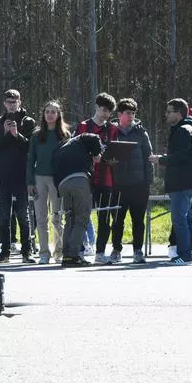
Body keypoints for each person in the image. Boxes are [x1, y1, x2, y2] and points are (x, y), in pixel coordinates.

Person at [148, 98, 192, 265]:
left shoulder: (182, 131)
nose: (166, 114)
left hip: (182, 181)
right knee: (187, 217)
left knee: (179, 218)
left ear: (178, 113)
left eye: (169, 111)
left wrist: (160, 159)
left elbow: (181, 157)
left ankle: (185, 255)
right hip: (186, 181)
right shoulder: (187, 129)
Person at [0, 89, 36, 264]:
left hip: (22, 174)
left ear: (20, 102)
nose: (12, 104)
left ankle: (26, 252)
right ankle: (5, 252)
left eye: (14, 101)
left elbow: (30, 147)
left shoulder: (28, 121)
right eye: (8, 101)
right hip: (3, 174)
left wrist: (17, 135)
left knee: (23, 214)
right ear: (4, 104)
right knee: (4, 215)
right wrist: (4, 133)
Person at [74, 92, 119, 264]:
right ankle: (79, 250)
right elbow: (75, 148)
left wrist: (114, 160)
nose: (105, 114)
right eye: (103, 109)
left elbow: (116, 150)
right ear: (96, 107)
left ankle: (100, 252)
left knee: (104, 217)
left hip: (106, 178)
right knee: (81, 213)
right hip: (85, 177)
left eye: (109, 111)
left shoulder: (113, 129)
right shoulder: (83, 126)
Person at [109, 98, 154, 264]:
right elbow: (106, 156)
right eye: (128, 113)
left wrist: (148, 181)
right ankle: (116, 250)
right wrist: (110, 163)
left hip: (139, 184)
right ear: (119, 114)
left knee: (138, 220)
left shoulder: (142, 132)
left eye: (133, 113)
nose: (131, 116)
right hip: (118, 184)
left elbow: (149, 158)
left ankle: (138, 250)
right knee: (117, 220)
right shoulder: (111, 132)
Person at [26, 101, 70, 264]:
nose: (50, 114)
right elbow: (30, 160)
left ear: (58, 115)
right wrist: (30, 182)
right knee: (41, 218)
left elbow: (68, 160)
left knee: (57, 218)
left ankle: (59, 252)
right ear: (43, 115)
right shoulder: (37, 135)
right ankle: (44, 253)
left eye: (53, 112)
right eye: (47, 112)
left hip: (57, 181)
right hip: (39, 179)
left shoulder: (65, 135)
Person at [52, 133, 103, 267]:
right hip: (79, 181)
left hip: (62, 184)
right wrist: (97, 153)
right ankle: (74, 255)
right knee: (81, 218)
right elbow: (95, 138)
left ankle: (66, 256)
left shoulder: (62, 146)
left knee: (70, 219)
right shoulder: (82, 138)